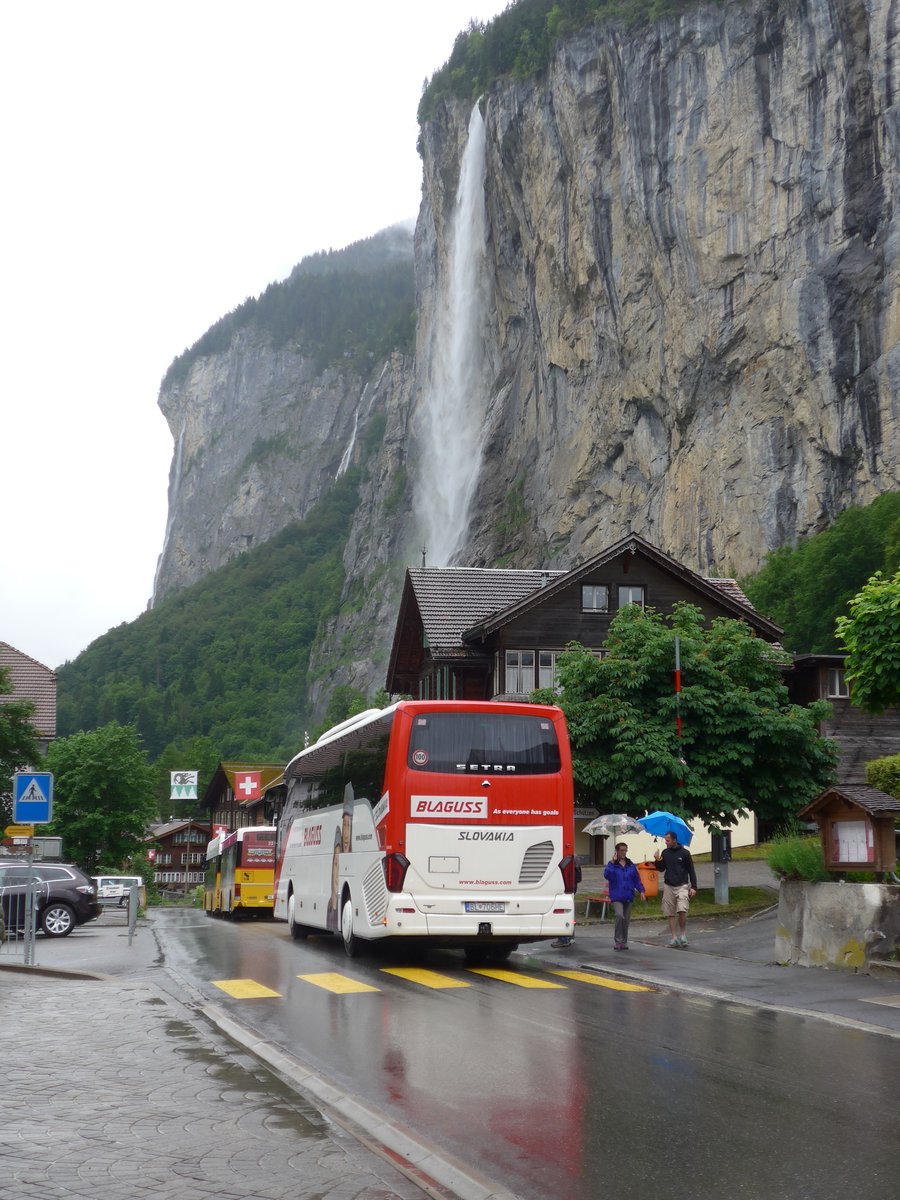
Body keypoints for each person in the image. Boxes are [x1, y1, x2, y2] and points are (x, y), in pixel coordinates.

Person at [653, 830, 697, 947]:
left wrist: (694, 887)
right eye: (665, 840)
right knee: (670, 912)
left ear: (674, 840)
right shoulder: (665, 853)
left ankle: (683, 935)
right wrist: (657, 860)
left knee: (682, 909)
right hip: (668, 886)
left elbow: (691, 870)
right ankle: (674, 937)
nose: (666, 842)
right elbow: (661, 869)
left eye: (668, 840)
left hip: (682, 885)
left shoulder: (685, 853)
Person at [603, 841, 647, 950]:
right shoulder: (612, 864)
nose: (624, 852)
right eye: (621, 850)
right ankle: (618, 941)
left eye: (625, 850)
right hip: (617, 895)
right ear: (617, 851)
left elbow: (636, 879)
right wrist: (612, 862)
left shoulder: (630, 864)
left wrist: (641, 891)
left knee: (626, 919)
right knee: (619, 915)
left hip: (628, 895)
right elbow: (607, 875)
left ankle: (624, 941)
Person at [551, 859, 582, 947]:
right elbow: (579, 878)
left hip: (564, 889)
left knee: (563, 913)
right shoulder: (573, 858)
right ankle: (570, 936)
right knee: (569, 913)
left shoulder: (564, 857)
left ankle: (564, 938)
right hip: (571, 888)